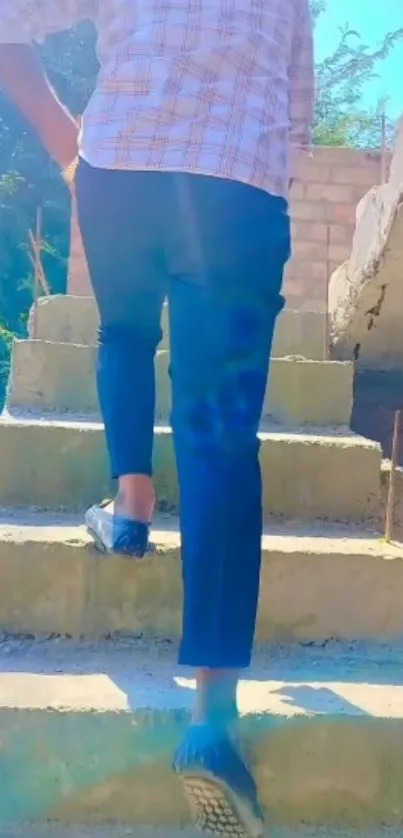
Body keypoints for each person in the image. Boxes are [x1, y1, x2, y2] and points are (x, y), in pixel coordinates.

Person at [0, 2, 314, 835]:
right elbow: (296, 113)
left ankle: (132, 509)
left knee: (126, 332)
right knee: (218, 434)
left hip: (121, 172)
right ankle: (210, 721)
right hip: (235, 191)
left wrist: (70, 143)